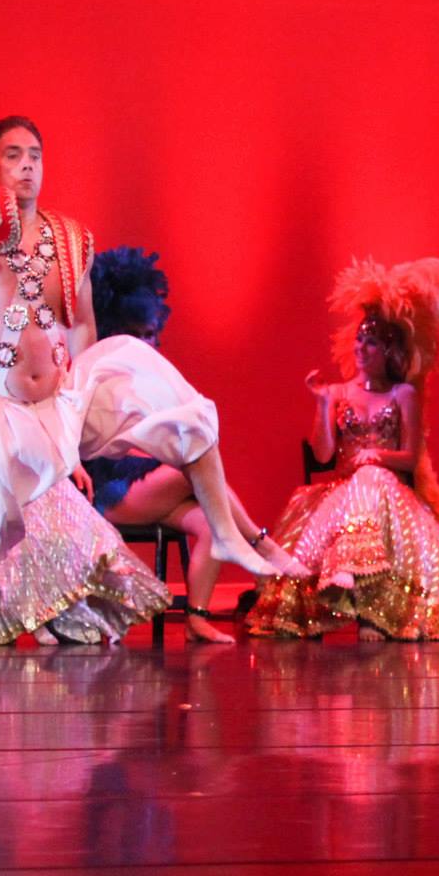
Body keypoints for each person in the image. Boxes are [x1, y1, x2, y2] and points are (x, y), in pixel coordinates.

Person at [0, 0, 281, 658]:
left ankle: (225, 527)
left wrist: (73, 434)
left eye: (36, 155)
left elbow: (82, 335)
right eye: (14, 155)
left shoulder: (70, 239)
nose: (28, 165)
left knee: (135, 360)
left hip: (54, 409)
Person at [244, 258, 439, 640]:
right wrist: (323, 405)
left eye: (371, 342)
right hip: (342, 494)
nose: (361, 347)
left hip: (390, 494)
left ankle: (365, 596)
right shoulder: (338, 392)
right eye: (359, 339)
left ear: (389, 350)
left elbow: (410, 458)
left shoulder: (403, 395)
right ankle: (344, 576)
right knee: (356, 487)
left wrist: (378, 457)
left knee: (371, 476)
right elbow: (324, 456)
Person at [83, 247, 296, 643]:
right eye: (137, 335)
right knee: (194, 474)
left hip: (146, 487)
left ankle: (196, 619)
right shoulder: (103, 374)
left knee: (209, 519)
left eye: (151, 334)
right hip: (109, 491)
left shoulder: (156, 379)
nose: (147, 343)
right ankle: (262, 544)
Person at [0, 334, 170, 647]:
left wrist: (67, 462)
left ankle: (63, 602)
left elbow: (29, 436)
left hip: (13, 479)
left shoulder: (0, 392)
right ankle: (40, 609)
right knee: (30, 506)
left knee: (54, 492)